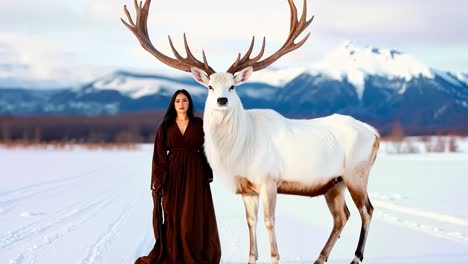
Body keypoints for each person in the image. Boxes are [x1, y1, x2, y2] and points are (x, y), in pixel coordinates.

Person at [135, 89, 221, 264]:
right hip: (172, 175)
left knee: (192, 217)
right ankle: (175, 254)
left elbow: (208, 149)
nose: (181, 104)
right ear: (173, 104)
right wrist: (158, 180)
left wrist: (208, 173)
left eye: (184, 100)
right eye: (177, 101)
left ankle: (196, 254)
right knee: (174, 216)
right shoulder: (166, 126)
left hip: (196, 176)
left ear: (189, 103)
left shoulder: (199, 124)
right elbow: (159, 155)